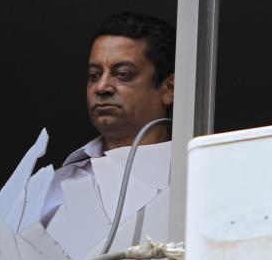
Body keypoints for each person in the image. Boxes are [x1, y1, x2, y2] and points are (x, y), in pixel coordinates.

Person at [40, 12, 176, 226]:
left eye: (123, 74)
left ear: (169, 89)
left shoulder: (196, 175)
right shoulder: (58, 185)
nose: (101, 87)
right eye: (94, 75)